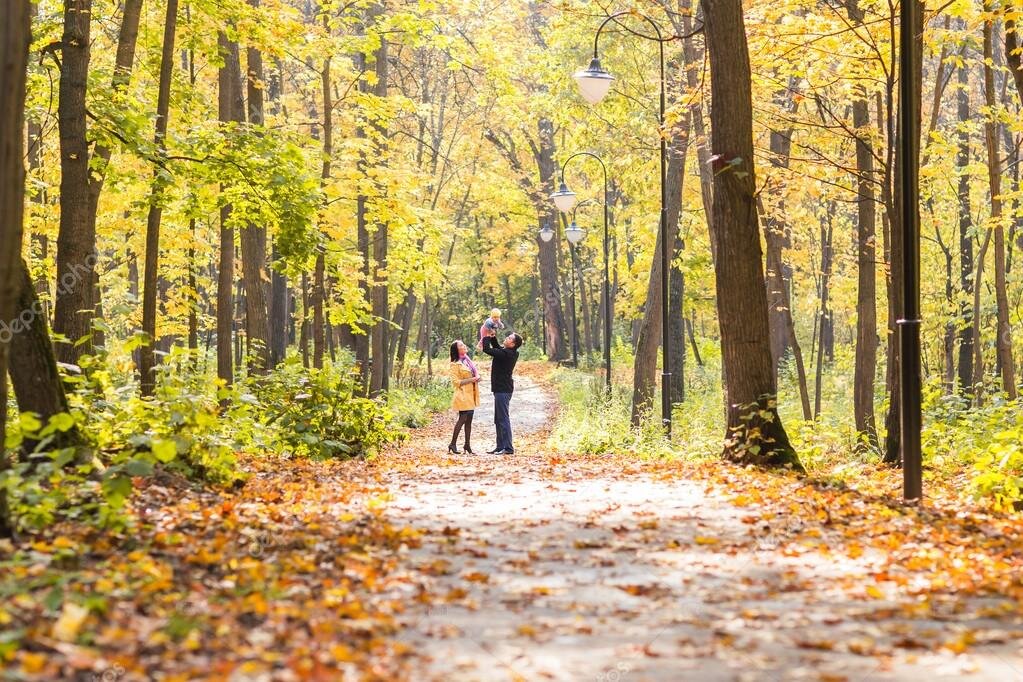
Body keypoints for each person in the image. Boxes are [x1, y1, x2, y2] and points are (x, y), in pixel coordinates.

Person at [481, 332, 522, 455]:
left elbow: (487, 349)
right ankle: (500, 446)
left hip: (503, 390)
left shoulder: (508, 354)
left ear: (513, 344)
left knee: (503, 418)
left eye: (509, 338)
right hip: (500, 389)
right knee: (498, 419)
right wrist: (493, 338)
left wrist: (485, 336)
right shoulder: (507, 352)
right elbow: (498, 349)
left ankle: (508, 448)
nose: (506, 338)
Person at [448, 340, 480, 454]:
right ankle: (452, 444)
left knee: (469, 421)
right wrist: (473, 379)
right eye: (461, 345)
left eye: (463, 344)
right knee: (462, 419)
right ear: (457, 350)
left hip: (471, 394)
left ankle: (467, 445)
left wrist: (477, 377)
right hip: (462, 395)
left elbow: (473, 374)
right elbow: (456, 382)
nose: (464, 346)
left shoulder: (467, 360)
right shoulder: (454, 364)